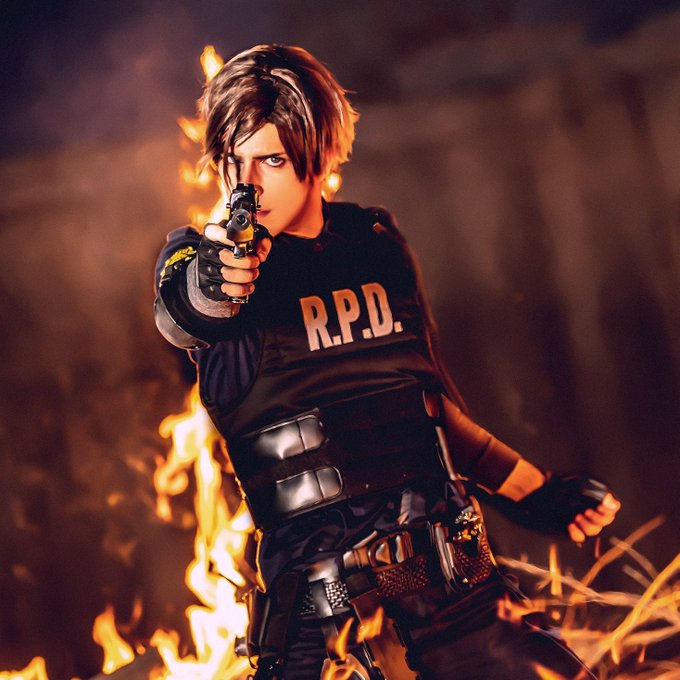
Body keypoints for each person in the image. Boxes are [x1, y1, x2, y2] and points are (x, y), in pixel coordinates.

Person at [154, 44, 620, 679]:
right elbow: (185, 305)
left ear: (318, 152)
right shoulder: (200, 258)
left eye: (271, 160)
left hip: (446, 575)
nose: (249, 185)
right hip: (318, 611)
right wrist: (215, 278)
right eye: (235, 162)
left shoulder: (374, 245)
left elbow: (432, 412)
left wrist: (538, 493)